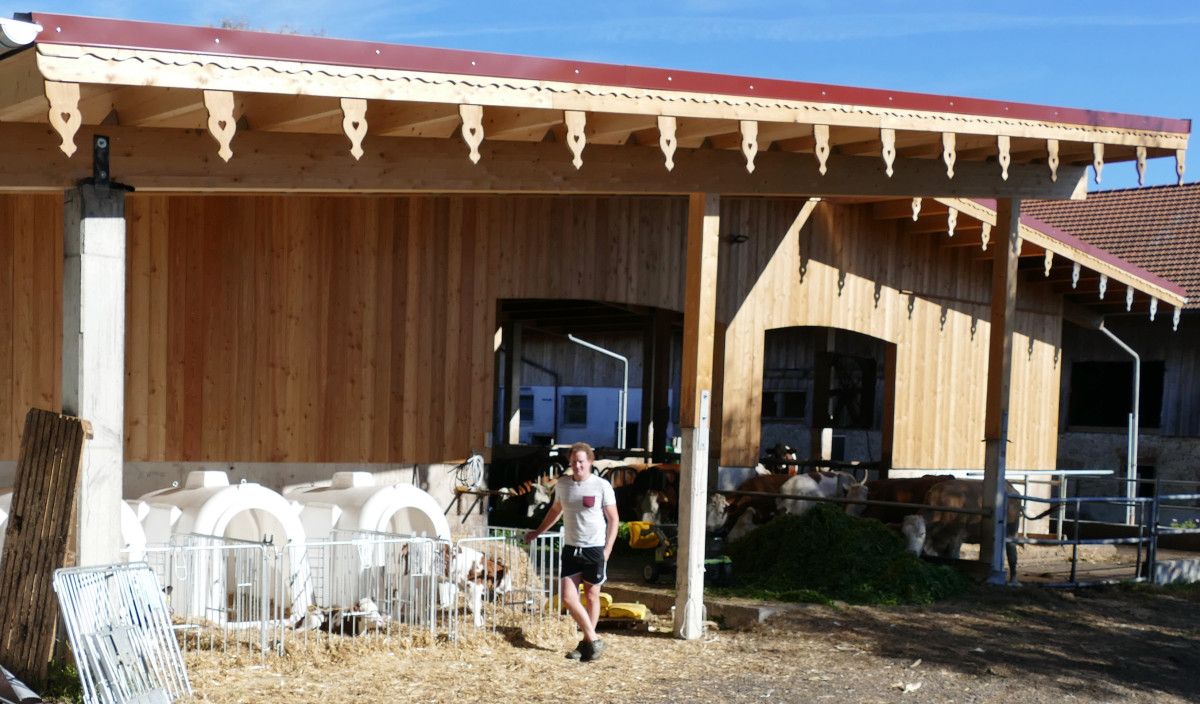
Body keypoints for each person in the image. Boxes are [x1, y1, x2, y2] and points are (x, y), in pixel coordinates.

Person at [524, 441, 618, 662]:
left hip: (594, 549)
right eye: (574, 462)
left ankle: (586, 646)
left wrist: (607, 550)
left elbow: (614, 519)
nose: (577, 466)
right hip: (571, 548)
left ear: (591, 462)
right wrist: (538, 532)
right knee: (568, 597)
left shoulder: (602, 486)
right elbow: (555, 511)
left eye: (582, 462)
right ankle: (593, 639)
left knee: (592, 596)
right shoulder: (563, 484)